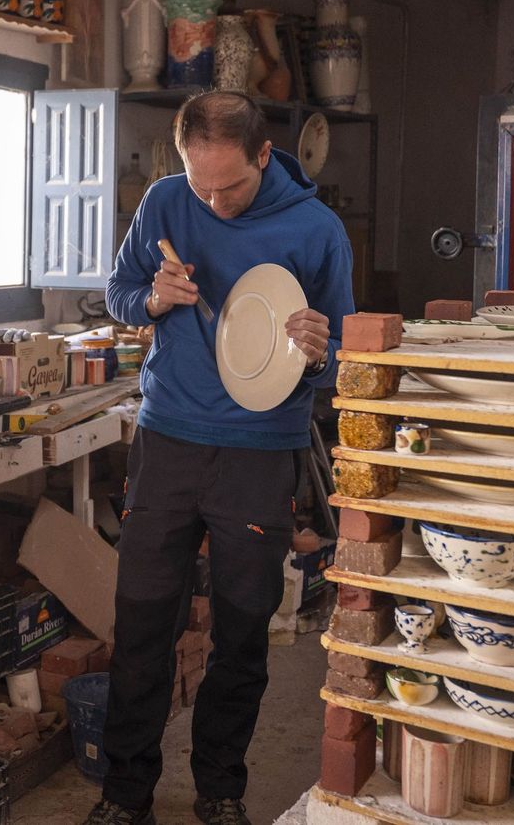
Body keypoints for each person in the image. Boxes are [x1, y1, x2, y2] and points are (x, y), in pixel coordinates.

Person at [84, 91, 355, 825]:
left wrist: (319, 353)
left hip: (258, 454)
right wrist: (152, 300)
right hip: (168, 440)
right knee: (142, 625)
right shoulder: (166, 201)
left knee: (242, 633)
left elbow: (347, 361)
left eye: (228, 186)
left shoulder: (317, 230)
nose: (212, 203)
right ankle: (125, 793)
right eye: (199, 184)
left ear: (265, 155)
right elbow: (117, 293)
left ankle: (220, 789)